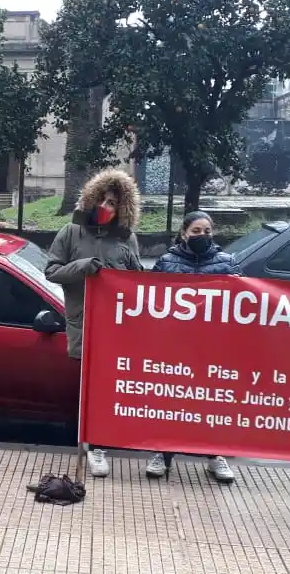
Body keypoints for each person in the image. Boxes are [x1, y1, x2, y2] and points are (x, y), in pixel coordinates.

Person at [44, 169, 143, 478]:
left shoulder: (127, 239)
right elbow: (51, 271)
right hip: (83, 323)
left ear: (122, 208)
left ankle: (99, 446)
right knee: (87, 390)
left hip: (116, 329)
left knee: (107, 390)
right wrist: (82, 267)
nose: (105, 206)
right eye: (101, 199)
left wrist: (128, 266)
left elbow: (138, 284)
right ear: (90, 199)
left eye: (112, 202)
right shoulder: (70, 233)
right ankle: (89, 445)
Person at [146, 210, 239, 484]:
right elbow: (149, 300)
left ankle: (215, 456)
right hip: (176, 347)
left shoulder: (227, 263)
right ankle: (162, 454)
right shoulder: (166, 262)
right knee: (172, 401)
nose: (202, 235)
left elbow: (245, 303)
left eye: (207, 231)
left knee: (211, 404)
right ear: (184, 233)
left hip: (213, 349)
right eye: (196, 231)